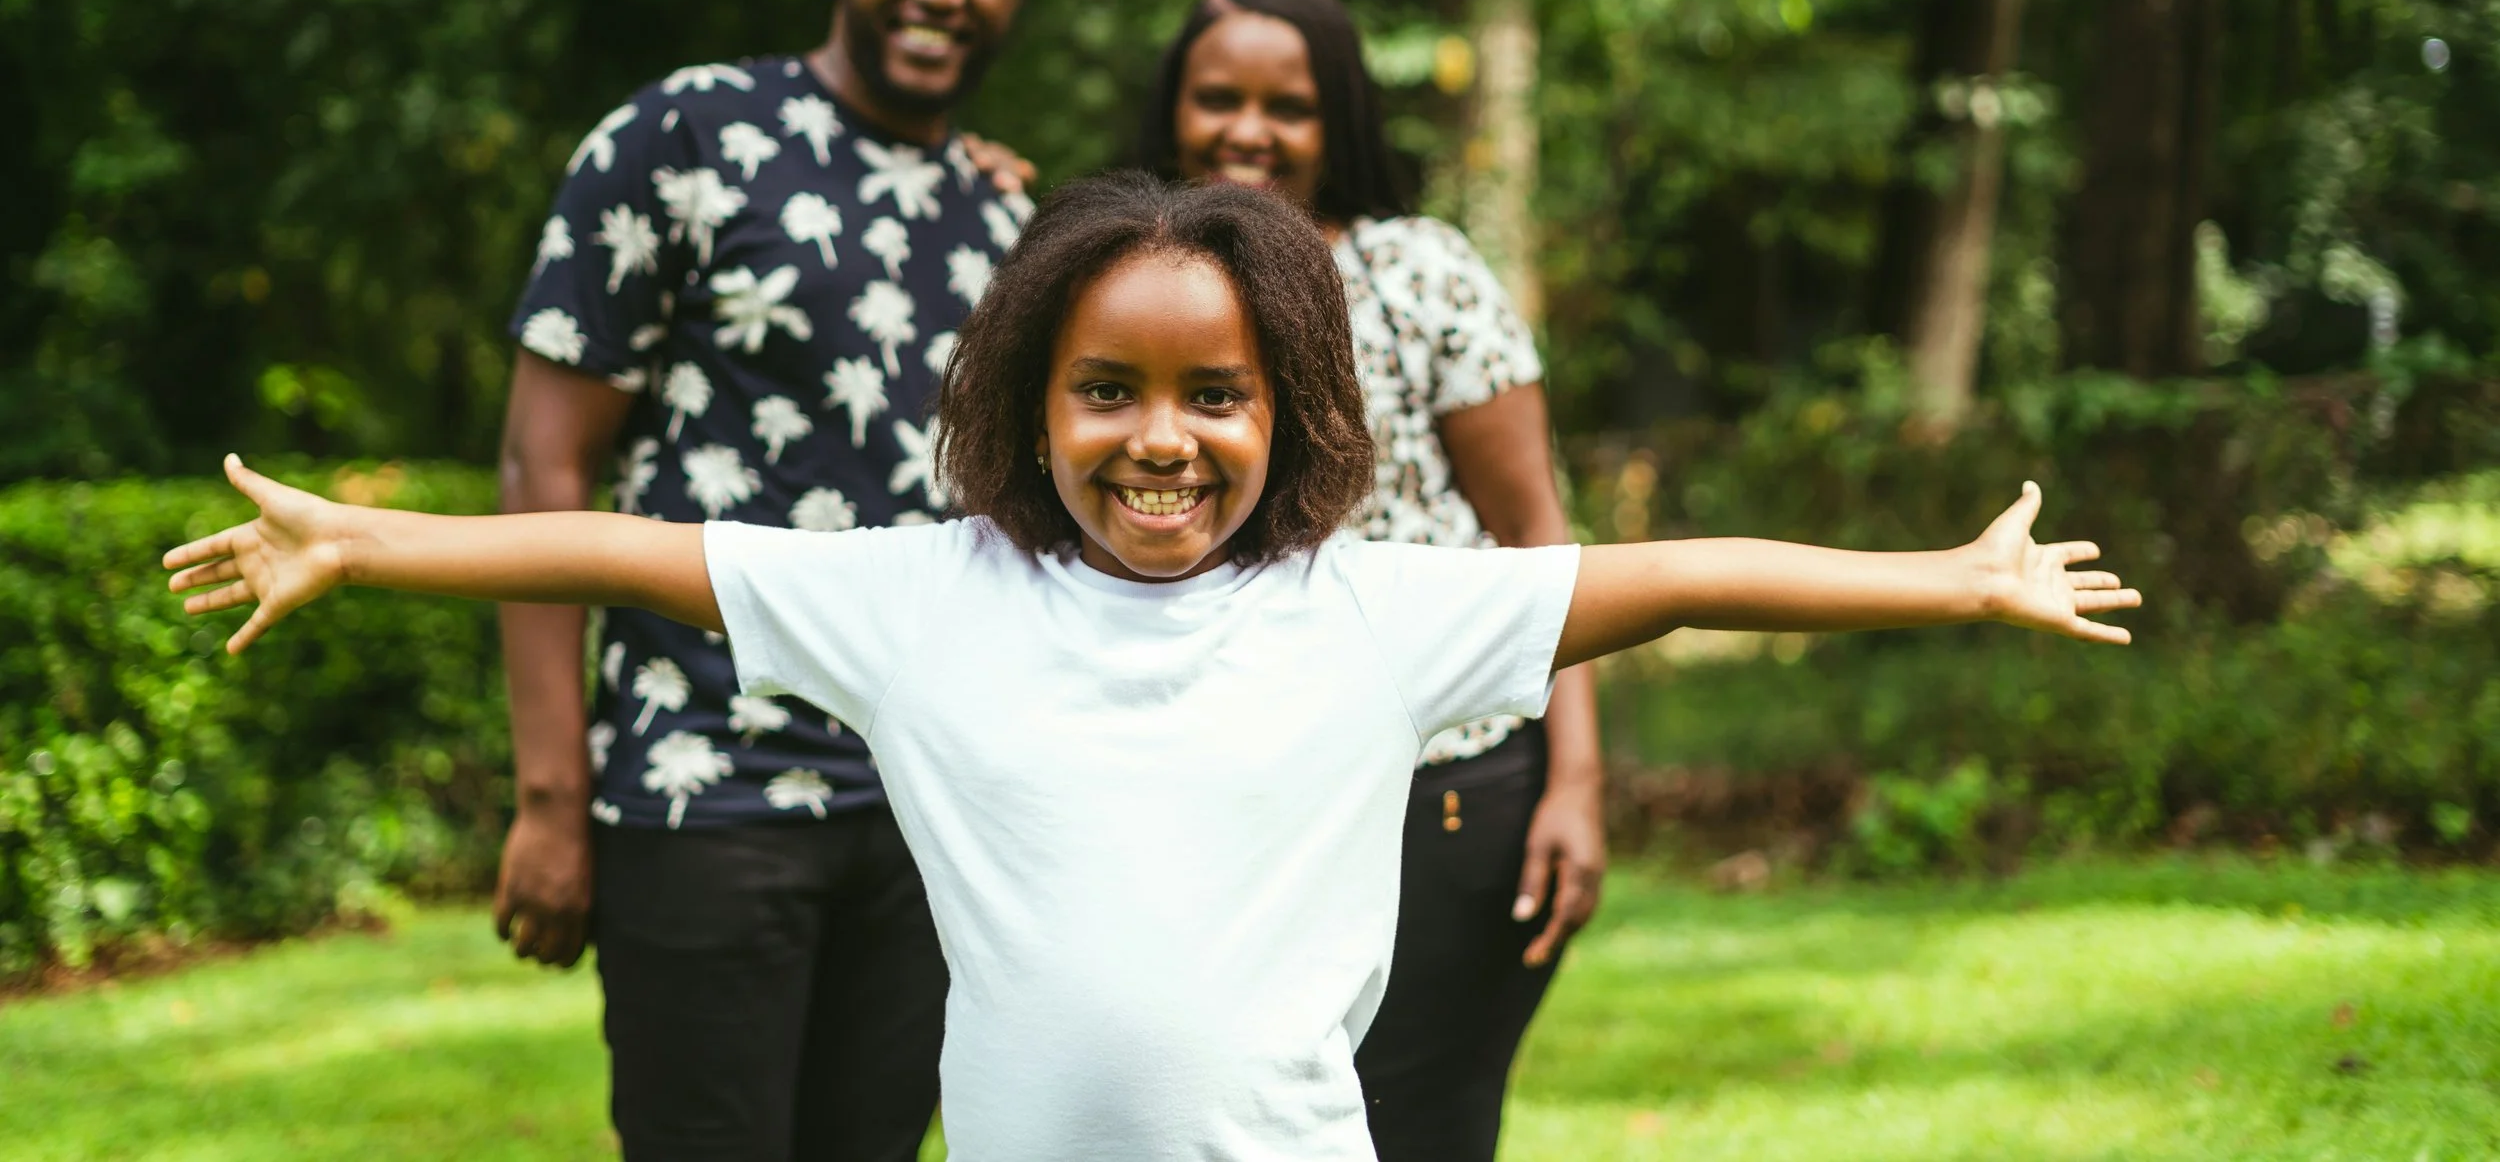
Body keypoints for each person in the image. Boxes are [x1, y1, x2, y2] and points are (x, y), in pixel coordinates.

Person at [170, 173, 2138, 1162]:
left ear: (1291, 416)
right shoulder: (928, 597)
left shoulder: (1375, 611)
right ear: (1030, 408)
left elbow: (1676, 574)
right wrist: (362, 541)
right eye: (1104, 392)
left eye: (1214, 395)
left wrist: (1947, 583)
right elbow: (622, 542)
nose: (1156, 437)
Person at [491, 0, 1042, 1160]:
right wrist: (554, 799)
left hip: (929, 810)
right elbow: (543, 460)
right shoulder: (684, 136)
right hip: (704, 784)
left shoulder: (1013, 219)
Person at [1138, 0, 1600, 1160]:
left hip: (1442, 788)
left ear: (1335, 117)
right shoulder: (1132, 282)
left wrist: (1576, 782)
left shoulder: (1419, 273)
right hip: (1219, 783)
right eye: (1217, 97)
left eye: (1286, 104)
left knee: (1416, 1125)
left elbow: (1537, 536)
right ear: (1172, 109)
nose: (1249, 129)